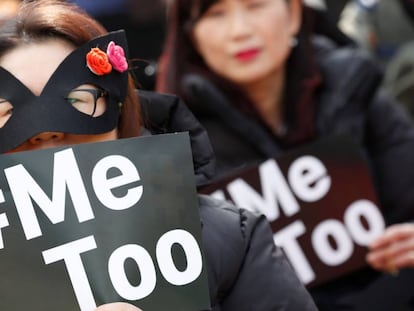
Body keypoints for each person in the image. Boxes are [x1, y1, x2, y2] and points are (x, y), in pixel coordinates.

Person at [0, 0, 318, 310]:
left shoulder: (229, 241)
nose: (45, 132)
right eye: (7, 112)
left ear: (120, 107)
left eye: (76, 99)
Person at [155, 0, 414, 310]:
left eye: (256, 5)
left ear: (293, 14)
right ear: (190, 34)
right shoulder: (171, 145)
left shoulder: (357, 86)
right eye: (216, 14)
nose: (240, 31)